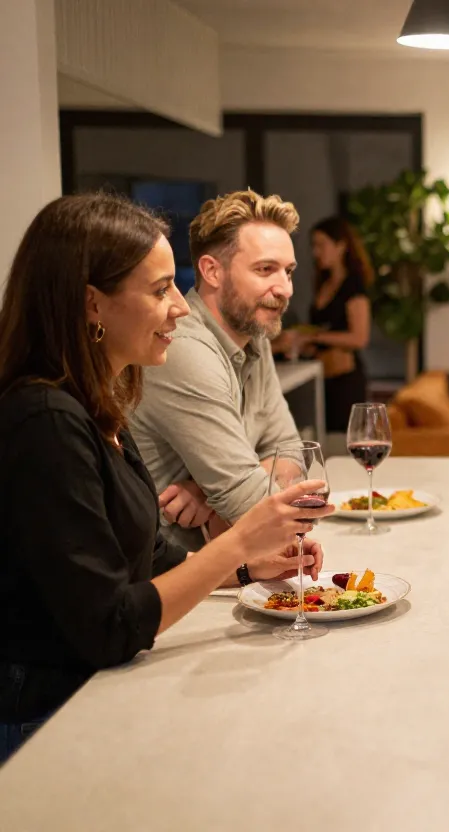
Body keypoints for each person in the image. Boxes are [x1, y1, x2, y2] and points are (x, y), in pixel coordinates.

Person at [0, 194, 334, 763]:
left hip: (100, 695)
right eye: (160, 290)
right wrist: (238, 540)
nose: (181, 308)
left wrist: (246, 567)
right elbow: (110, 625)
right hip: (46, 721)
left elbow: (153, 558)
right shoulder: (46, 421)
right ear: (92, 305)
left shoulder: (100, 401)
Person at [129, 190, 305, 552]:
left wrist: (207, 490)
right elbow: (253, 506)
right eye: (265, 269)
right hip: (170, 578)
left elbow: (291, 449)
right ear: (212, 271)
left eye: (288, 272)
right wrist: (230, 488)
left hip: (223, 565)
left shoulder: (255, 337)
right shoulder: (182, 349)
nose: (285, 289)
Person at [278, 216, 373, 432]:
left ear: (341, 246)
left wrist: (312, 337)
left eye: (321, 245)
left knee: (345, 443)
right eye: (314, 245)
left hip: (346, 380)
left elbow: (359, 338)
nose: (316, 252)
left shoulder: (353, 287)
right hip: (321, 377)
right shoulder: (323, 283)